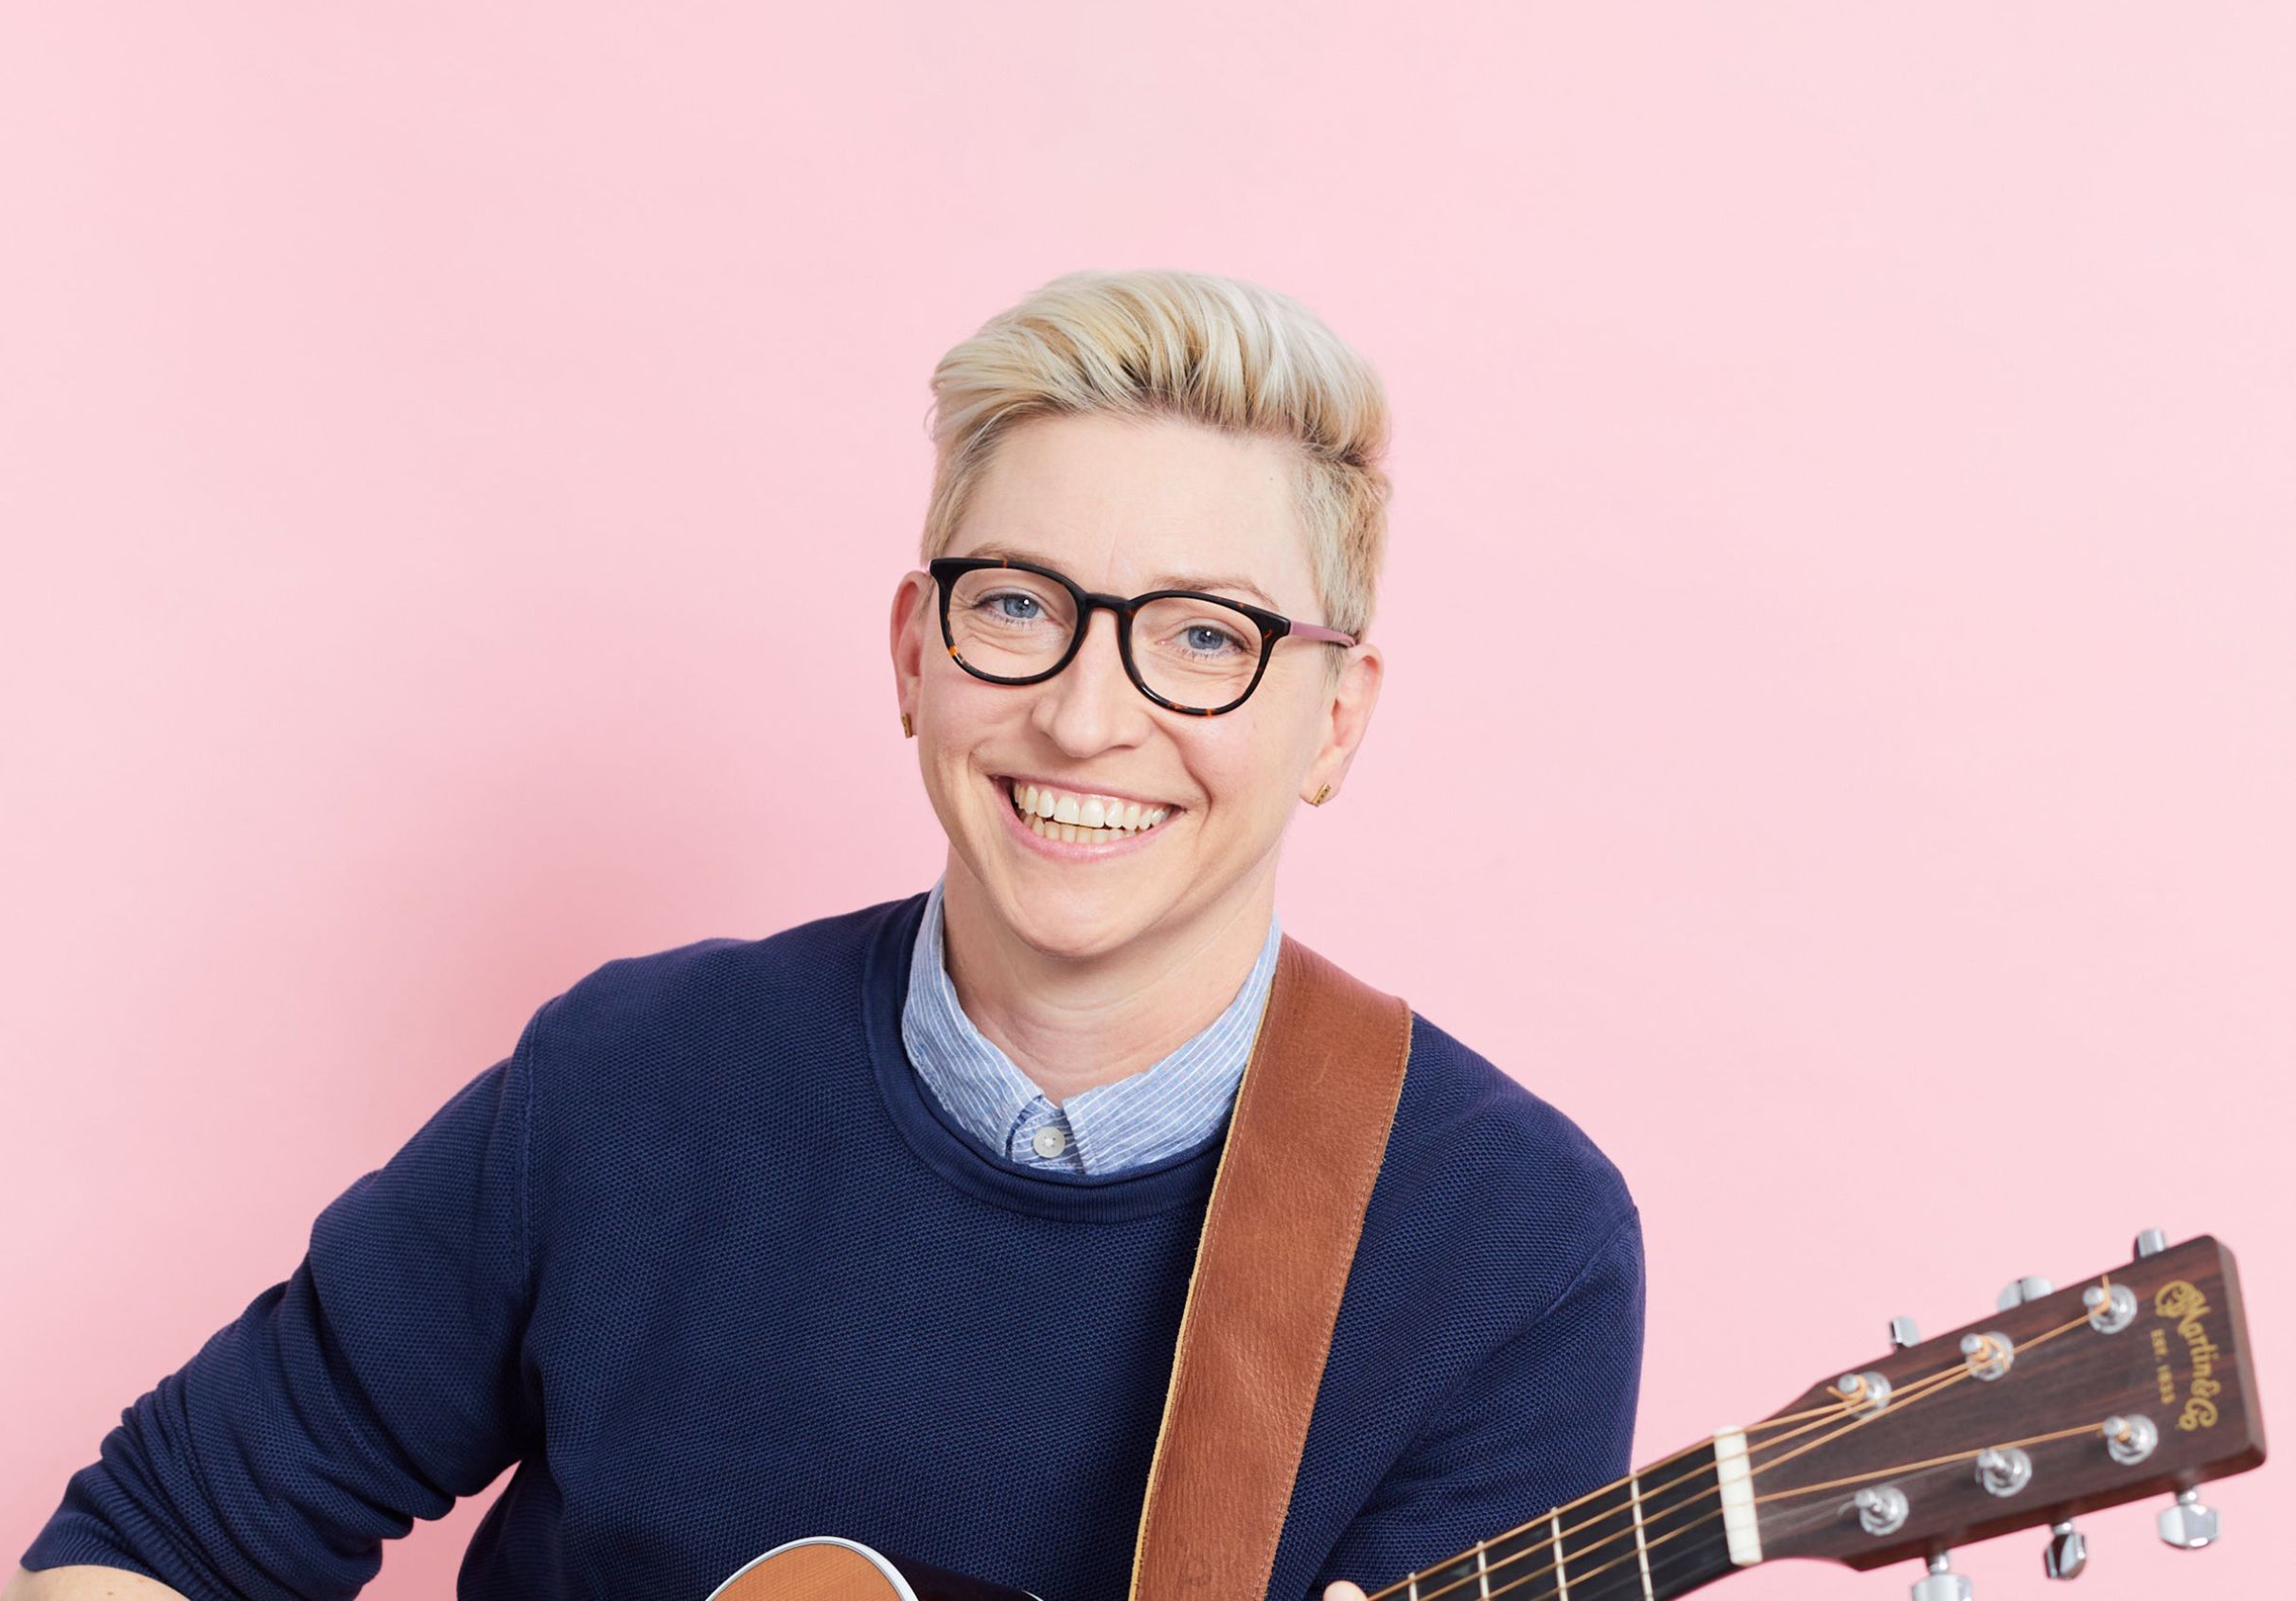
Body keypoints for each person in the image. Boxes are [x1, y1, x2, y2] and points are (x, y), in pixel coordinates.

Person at [9, 271, 1643, 1601]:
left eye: (1205, 637)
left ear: (1335, 720)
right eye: (1018, 604)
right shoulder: (629, 1080)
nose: (1085, 717)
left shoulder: (1510, 1248)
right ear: (916, 651)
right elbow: (148, 1544)